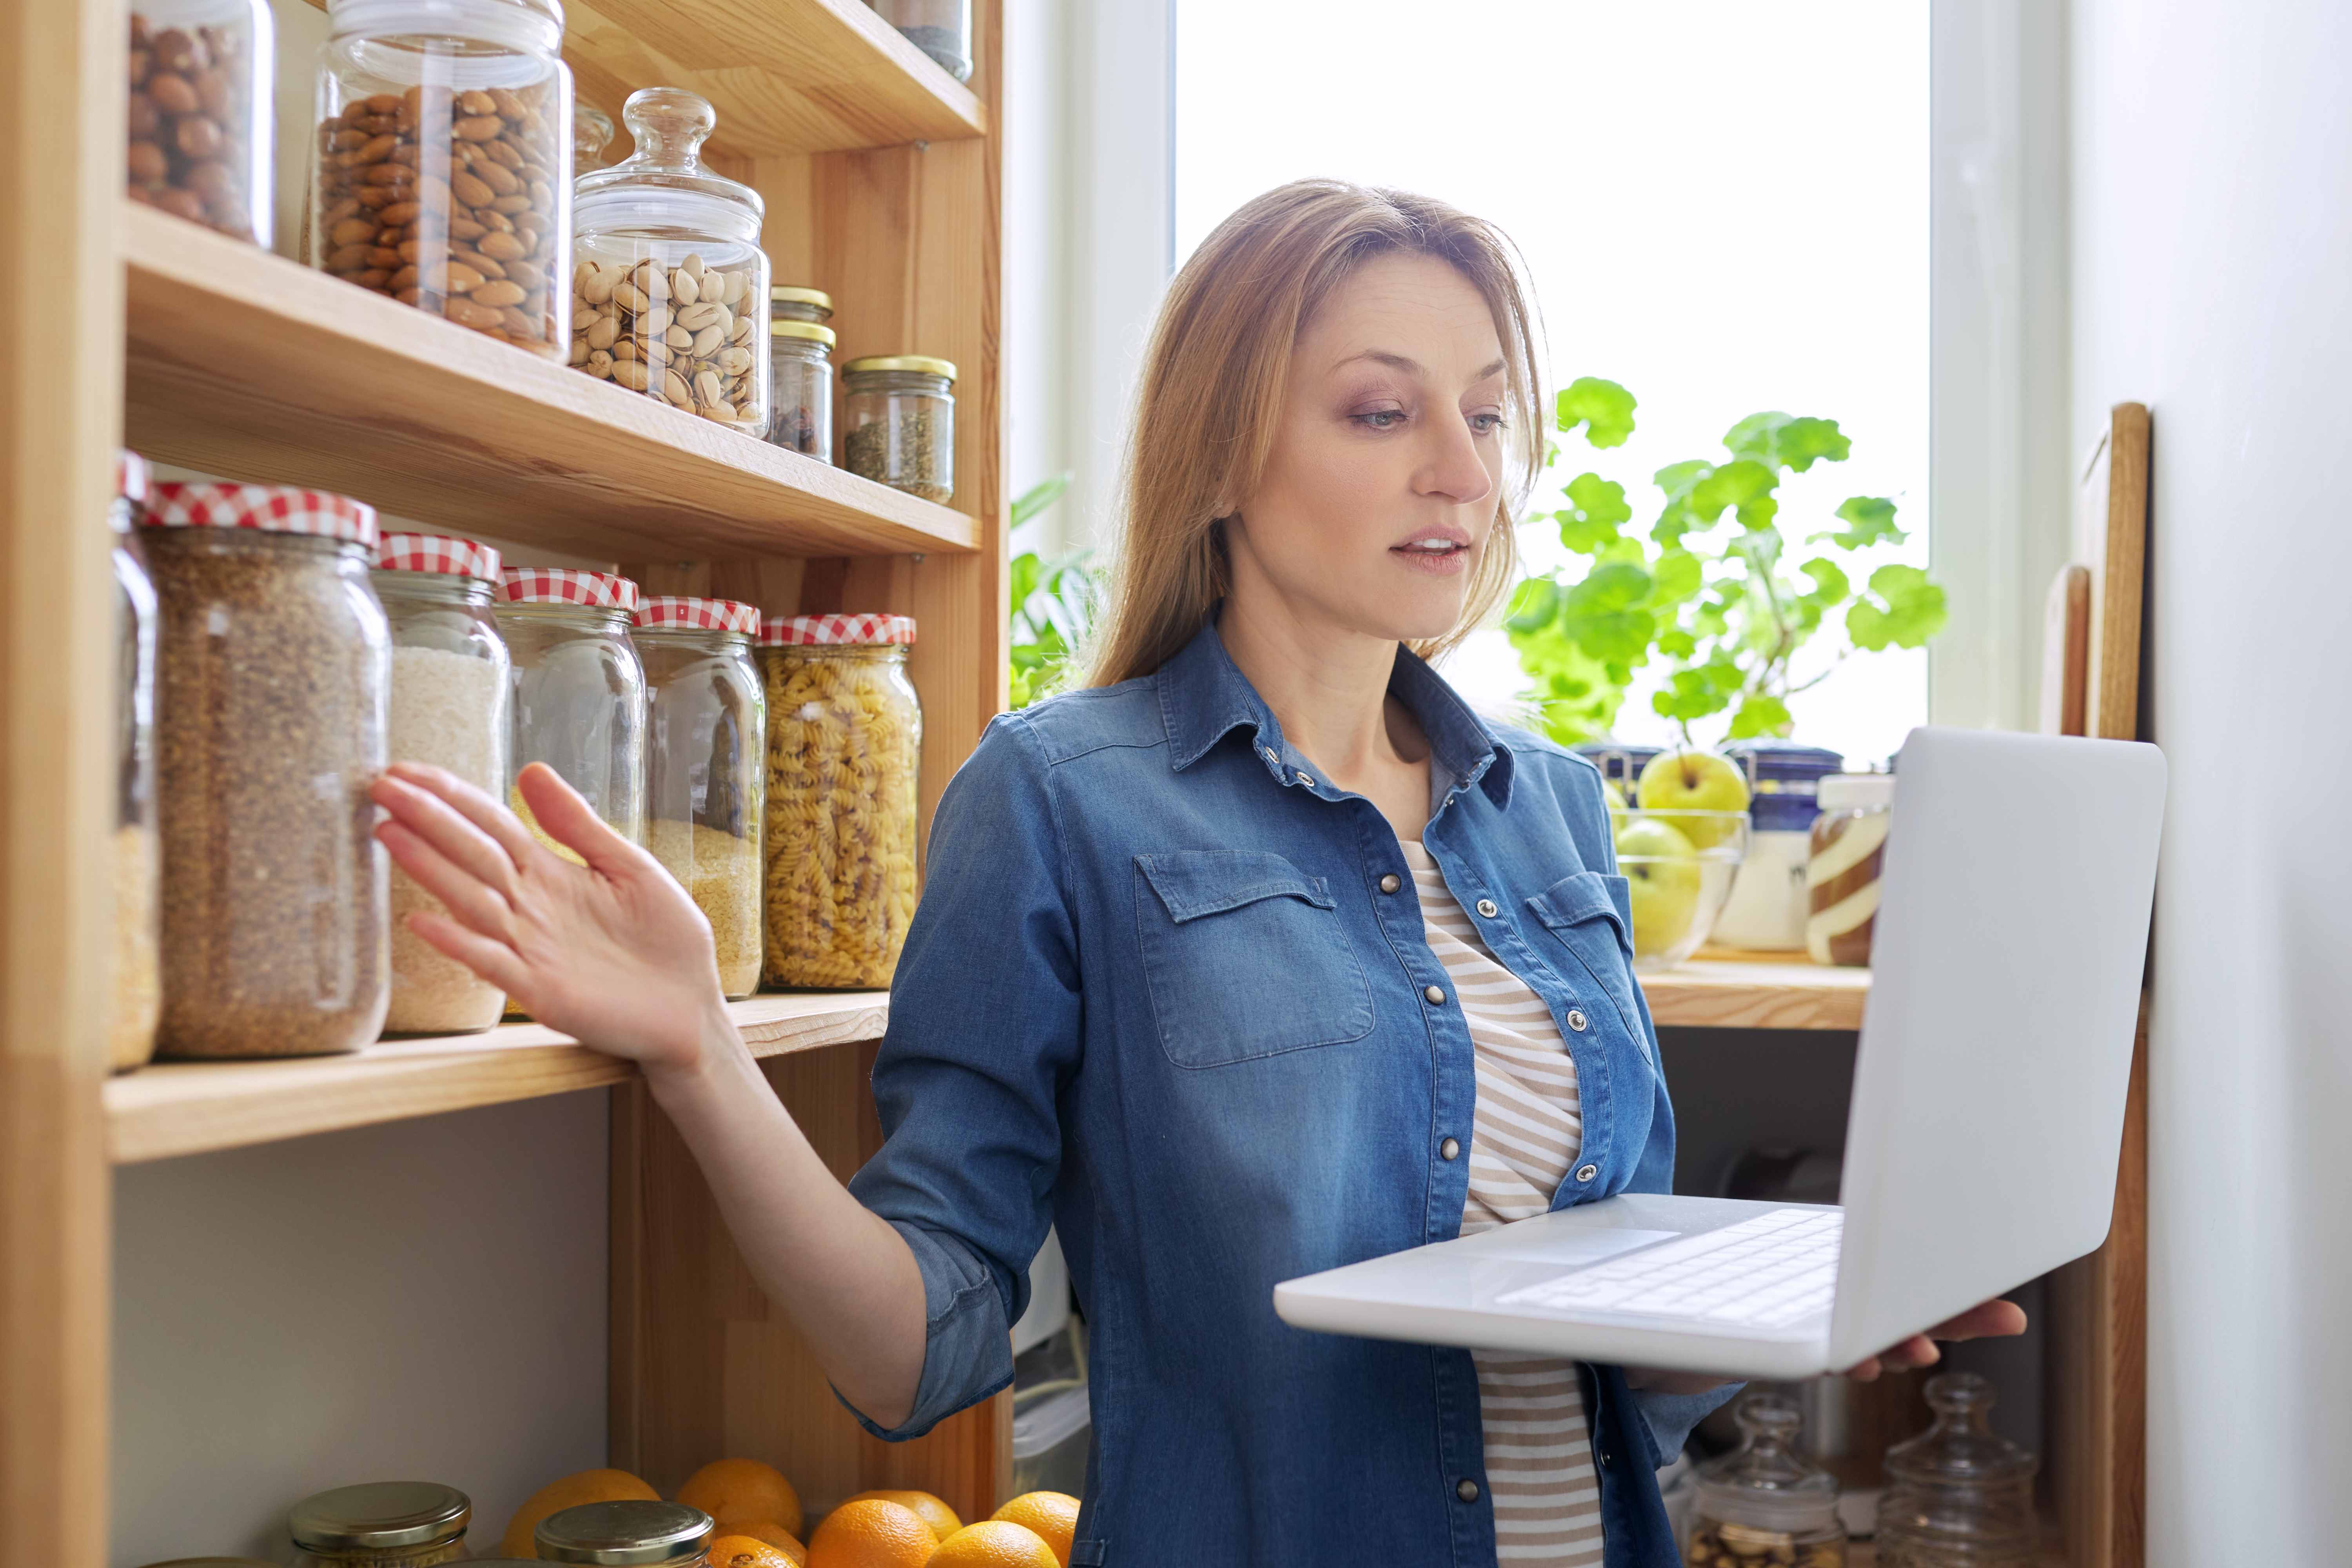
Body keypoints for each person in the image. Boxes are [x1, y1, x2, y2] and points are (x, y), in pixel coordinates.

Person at [371, 179, 2022, 1568]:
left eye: (1489, 411)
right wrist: (698, 1051)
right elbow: (914, 1349)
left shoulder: (1553, 814)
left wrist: (1804, 1318)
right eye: (1385, 410)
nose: (1465, 462)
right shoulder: (1060, 800)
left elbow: (1608, 1343)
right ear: (1224, 455)